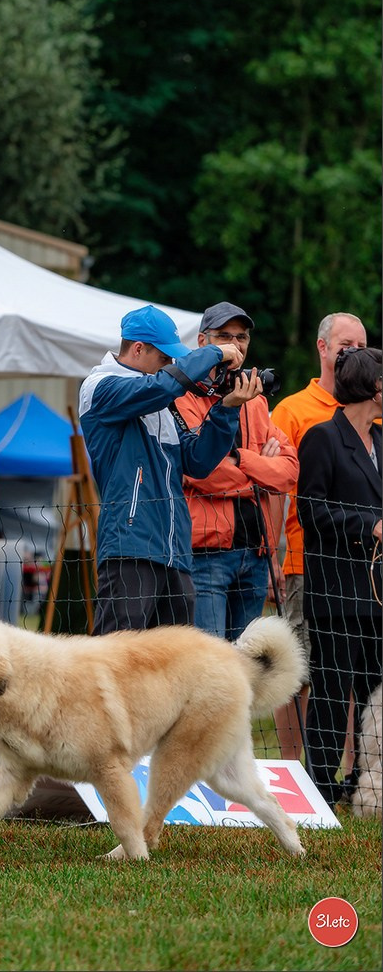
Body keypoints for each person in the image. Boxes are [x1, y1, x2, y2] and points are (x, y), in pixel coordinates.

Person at [79, 303, 255, 634]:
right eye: (164, 357)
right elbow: (163, 386)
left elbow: (198, 462)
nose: (171, 364)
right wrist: (215, 353)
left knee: (175, 668)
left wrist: (227, 409)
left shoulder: (158, 398)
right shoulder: (101, 386)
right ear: (138, 348)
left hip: (174, 551)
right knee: (119, 659)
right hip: (129, 546)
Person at [270, 313, 368, 759]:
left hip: (363, 566)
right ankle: (296, 767)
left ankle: (342, 768)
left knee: (345, 671)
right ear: (323, 348)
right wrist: (273, 549)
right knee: (299, 672)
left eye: (361, 346)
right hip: (304, 561)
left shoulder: (373, 415)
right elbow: (277, 487)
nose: (353, 352)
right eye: (345, 343)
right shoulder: (292, 410)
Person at [174, 302, 298, 641]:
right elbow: (202, 472)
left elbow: (288, 472)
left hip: (255, 555)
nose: (235, 344)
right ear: (202, 341)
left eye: (241, 336)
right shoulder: (182, 396)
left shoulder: (256, 400)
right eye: (224, 336)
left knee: (249, 669)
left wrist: (241, 460)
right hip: (206, 555)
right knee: (212, 667)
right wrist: (261, 473)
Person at [297, 346, 382, 809]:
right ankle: (319, 787)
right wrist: (367, 524)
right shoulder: (322, 438)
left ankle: (363, 782)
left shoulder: (382, 441)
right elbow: (309, 510)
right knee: (332, 690)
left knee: (375, 688)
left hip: (377, 593)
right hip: (336, 590)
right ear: (373, 387)